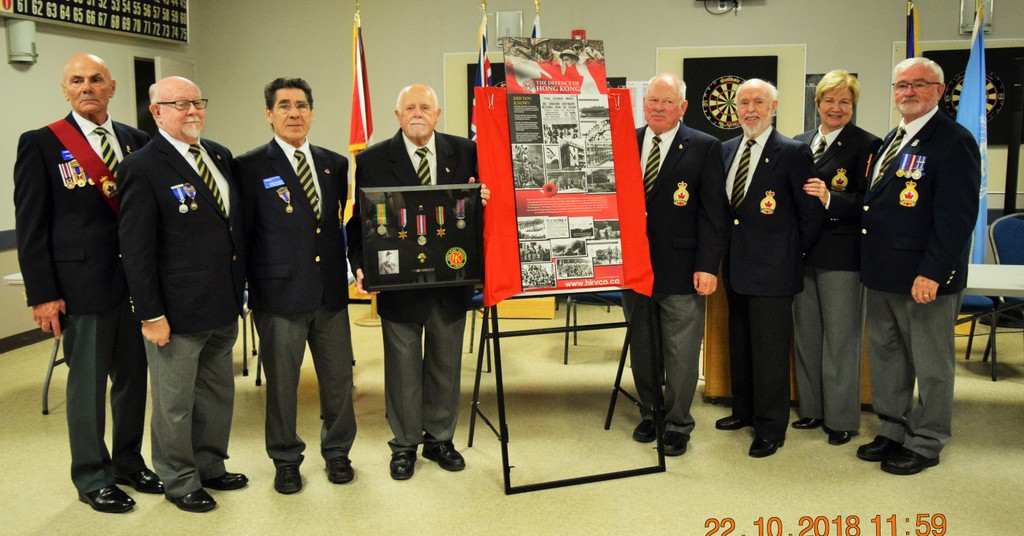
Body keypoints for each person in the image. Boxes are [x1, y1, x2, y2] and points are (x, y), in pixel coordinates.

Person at [13, 53, 161, 514]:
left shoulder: (140, 141)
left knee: (134, 382)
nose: (87, 87)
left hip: (135, 287)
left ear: (112, 87)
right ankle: (91, 475)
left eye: (96, 79)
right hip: (81, 286)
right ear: (65, 90)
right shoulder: (41, 143)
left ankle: (128, 462)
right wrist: (42, 295)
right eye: (76, 80)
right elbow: (31, 226)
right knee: (87, 388)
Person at [118, 76, 247, 512]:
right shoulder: (141, 166)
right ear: (156, 112)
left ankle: (210, 465)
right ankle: (179, 479)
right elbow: (135, 251)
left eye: (197, 102)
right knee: (174, 403)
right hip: (174, 311)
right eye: (179, 104)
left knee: (217, 394)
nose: (192, 111)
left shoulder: (218, 155)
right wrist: (149, 313)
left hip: (223, 304)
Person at [346, 84, 488, 481]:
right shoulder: (373, 159)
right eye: (409, 107)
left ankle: (441, 439)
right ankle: (405, 444)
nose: (417, 113)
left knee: (445, 364)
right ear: (397, 115)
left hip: (450, 281)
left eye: (425, 106)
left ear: (438, 113)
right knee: (403, 369)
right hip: (398, 285)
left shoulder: (465, 152)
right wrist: (360, 265)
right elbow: (361, 221)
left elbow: (478, 213)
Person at [857, 57, 980, 475]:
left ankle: (927, 441)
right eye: (901, 85)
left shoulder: (953, 140)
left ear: (940, 92)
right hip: (882, 274)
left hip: (924, 278)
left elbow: (958, 219)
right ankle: (893, 428)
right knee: (888, 358)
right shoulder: (893, 138)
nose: (908, 92)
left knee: (931, 365)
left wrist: (933, 272)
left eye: (919, 85)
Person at [234, 77, 356, 494]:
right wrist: (244, 292)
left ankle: (338, 453)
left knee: (339, 382)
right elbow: (242, 236)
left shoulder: (334, 164)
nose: (294, 113)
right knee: (282, 386)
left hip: (330, 294)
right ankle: (286, 459)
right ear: (269, 114)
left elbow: (338, 227)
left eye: (301, 105)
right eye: (284, 105)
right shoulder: (248, 167)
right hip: (278, 297)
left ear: (312, 112)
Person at [714, 79, 824, 458]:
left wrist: (789, 253)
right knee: (741, 343)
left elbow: (810, 214)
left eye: (758, 102)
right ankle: (743, 411)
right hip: (736, 266)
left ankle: (770, 427)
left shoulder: (793, 152)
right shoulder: (727, 149)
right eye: (743, 102)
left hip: (775, 270)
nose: (750, 109)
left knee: (770, 353)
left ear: (773, 107)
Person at [623, 74, 728, 456]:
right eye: (652, 101)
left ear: (683, 107)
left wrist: (707, 266)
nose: (658, 108)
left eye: (668, 102)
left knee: (682, 352)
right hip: (634, 267)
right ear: (643, 103)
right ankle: (651, 413)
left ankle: (679, 422)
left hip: (683, 267)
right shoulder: (626, 142)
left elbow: (713, 214)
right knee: (644, 346)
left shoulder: (705, 146)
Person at [792, 70, 882, 446]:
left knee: (841, 341)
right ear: (817, 104)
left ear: (853, 106)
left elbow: (870, 204)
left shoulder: (868, 145)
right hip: (800, 255)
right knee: (807, 337)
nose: (836, 108)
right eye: (829, 100)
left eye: (845, 102)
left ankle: (842, 417)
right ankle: (812, 409)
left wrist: (830, 198)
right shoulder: (798, 142)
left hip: (842, 256)